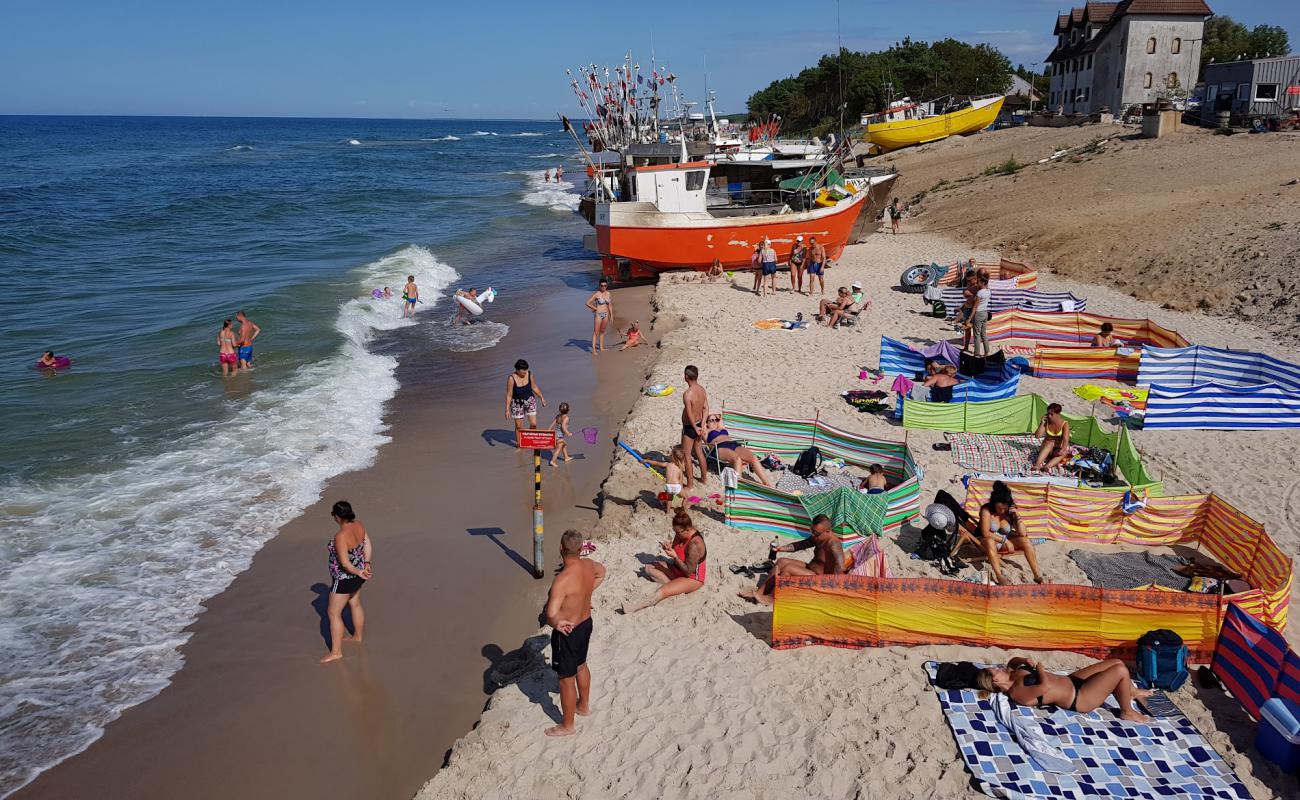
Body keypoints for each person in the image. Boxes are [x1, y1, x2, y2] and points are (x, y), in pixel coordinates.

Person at [543, 529, 606, 736]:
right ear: (581, 549)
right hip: (585, 623)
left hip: (568, 632)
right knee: (581, 664)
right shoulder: (589, 565)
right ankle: (583, 705)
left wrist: (556, 623)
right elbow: (602, 572)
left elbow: (551, 613)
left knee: (565, 679)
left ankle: (567, 725)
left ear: (561, 549)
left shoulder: (561, 580)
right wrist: (586, 594)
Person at [976, 656, 1151, 723]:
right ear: (995, 680)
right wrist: (1040, 670)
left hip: (1072, 680)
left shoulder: (1012, 673)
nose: (998, 668)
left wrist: (1024, 660)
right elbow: (1044, 687)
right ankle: (1126, 711)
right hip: (1079, 698)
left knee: (1117, 662)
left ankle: (1131, 692)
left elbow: (1013, 661)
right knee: (1120, 671)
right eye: (995, 670)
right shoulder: (1017, 692)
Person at [739, 514, 842, 605]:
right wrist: (781, 548)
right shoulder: (819, 536)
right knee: (781, 561)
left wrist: (831, 589)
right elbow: (802, 544)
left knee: (788, 568)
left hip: (821, 578)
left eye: (816, 533)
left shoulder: (834, 544)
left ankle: (772, 598)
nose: (813, 535)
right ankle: (759, 593)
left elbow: (840, 566)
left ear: (828, 531)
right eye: (812, 531)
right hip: (811, 569)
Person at [623, 508, 707, 613]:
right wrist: (668, 547)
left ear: (687, 529)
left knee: (661, 592)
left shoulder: (695, 544)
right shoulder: (680, 533)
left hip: (692, 578)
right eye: (674, 531)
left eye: (678, 532)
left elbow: (688, 571)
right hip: (678, 569)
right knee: (648, 568)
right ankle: (675, 586)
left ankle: (635, 607)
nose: (676, 534)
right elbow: (676, 547)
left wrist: (675, 557)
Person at [321, 500, 372, 664]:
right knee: (355, 603)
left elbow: (344, 563)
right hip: (358, 575)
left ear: (337, 517)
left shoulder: (341, 536)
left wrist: (359, 571)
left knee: (333, 613)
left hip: (344, 579)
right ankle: (357, 636)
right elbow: (367, 544)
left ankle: (336, 652)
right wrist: (366, 565)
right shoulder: (359, 525)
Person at [978, 480, 1045, 585]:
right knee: (990, 541)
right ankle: (999, 575)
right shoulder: (986, 510)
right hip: (989, 542)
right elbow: (985, 533)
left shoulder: (1009, 511)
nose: (1003, 511)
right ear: (994, 502)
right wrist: (1005, 540)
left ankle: (1037, 576)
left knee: (1026, 541)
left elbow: (1023, 533)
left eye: (1005, 508)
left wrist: (1017, 516)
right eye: (1000, 508)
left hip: (1004, 543)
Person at [703, 414, 773, 487]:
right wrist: (705, 420)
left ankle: (767, 484)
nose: (714, 422)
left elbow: (720, 418)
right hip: (719, 447)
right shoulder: (706, 431)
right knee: (737, 459)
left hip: (733, 444)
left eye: (715, 420)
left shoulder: (720, 427)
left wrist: (717, 417)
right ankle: (739, 485)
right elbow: (702, 424)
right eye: (711, 420)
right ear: (706, 423)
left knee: (753, 457)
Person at [680, 365, 710, 491]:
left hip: (690, 427)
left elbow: (689, 413)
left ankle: (690, 485)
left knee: (687, 455)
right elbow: (706, 408)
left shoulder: (688, 394)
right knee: (699, 452)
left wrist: (694, 427)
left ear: (687, 377)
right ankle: (704, 479)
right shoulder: (702, 390)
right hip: (698, 424)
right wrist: (702, 424)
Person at [505, 358, 547, 436]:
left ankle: (531, 439)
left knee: (534, 424)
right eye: (523, 370)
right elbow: (509, 394)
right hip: (517, 403)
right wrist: (507, 409)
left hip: (529, 400)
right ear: (517, 370)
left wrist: (542, 398)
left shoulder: (529, 374)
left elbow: (534, 387)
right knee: (518, 427)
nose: (525, 371)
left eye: (526, 369)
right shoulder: (511, 378)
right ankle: (519, 445)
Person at [645, 445, 689, 514]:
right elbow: (681, 480)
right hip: (676, 486)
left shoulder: (667, 464)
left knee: (669, 499)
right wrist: (681, 489)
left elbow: (657, 463)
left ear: (672, 456)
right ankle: (682, 510)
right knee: (686, 497)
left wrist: (646, 460)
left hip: (668, 486)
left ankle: (668, 512)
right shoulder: (679, 467)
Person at [1033, 403, 1071, 471]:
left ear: (1058, 414)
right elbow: (1037, 436)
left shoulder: (1064, 424)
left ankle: (1047, 466)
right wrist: (1042, 424)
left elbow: (1066, 440)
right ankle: (1037, 465)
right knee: (1050, 443)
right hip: (1046, 448)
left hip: (1056, 450)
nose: (1049, 416)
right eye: (1048, 414)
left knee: (1065, 452)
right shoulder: (1046, 421)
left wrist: (1062, 450)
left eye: (1052, 414)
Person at [585, 278, 614, 354]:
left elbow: (610, 305)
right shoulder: (597, 294)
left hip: (606, 314)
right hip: (598, 314)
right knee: (596, 332)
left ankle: (601, 348)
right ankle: (594, 350)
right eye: (602, 285)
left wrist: (612, 316)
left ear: (606, 285)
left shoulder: (608, 293)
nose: (603, 287)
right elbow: (587, 303)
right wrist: (595, 308)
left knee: (602, 331)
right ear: (599, 286)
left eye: (605, 285)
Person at [969, 273, 991, 357]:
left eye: (979, 282)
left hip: (978, 313)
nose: (977, 283)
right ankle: (986, 351)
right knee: (984, 334)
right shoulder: (988, 291)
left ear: (982, 283)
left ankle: (977, 352)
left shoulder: (979, 293)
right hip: (985, 313)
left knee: (977, 334)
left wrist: (970, 317)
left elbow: (975, 307)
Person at [550, 402, 573, 466]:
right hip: (559, 436)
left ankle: (566, 457)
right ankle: (553, 461)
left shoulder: (558, 416)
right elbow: (563, 426)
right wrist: (568, 433)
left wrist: (549, 431)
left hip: (555, 434)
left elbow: (552, 424)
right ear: (568, 410)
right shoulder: (566, 418)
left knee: (564, 445)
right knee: (558, 449)